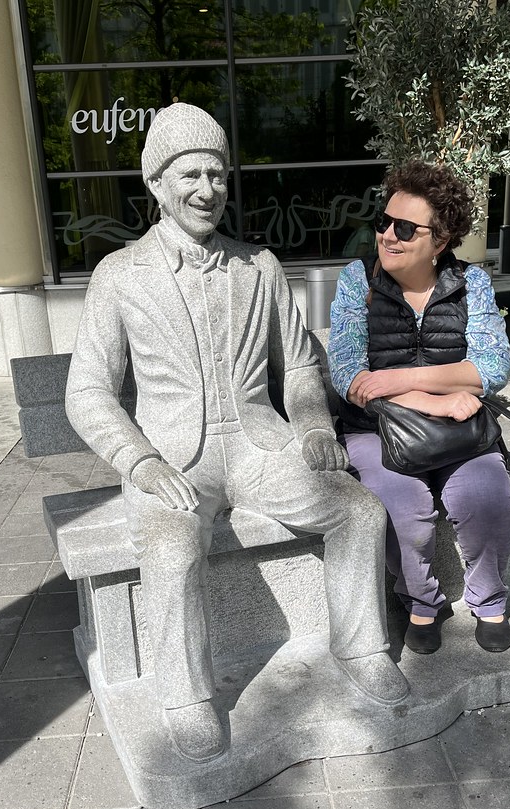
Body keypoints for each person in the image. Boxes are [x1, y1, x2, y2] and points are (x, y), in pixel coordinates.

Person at [65, 103, 409, 765]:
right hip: (172, 456)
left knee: (358, 511)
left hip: (258, 443)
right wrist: (136, 460)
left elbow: (303, 364)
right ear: (158, 185)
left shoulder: (260, 267)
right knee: (171, 551)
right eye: (190, 174)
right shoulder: (119, 275)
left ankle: (362, 649)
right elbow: (87, 391)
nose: (206, 189)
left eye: (218, 174)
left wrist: (311, 425)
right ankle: (186, 698)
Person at [328, 160, 510, 656]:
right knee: (400, 508)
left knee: (489, 497)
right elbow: (350, 377)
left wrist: (398, 379)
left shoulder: (470, 284)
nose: (388, 235)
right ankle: (421, 600)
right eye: (384, 222)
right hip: (376, 429)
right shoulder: (357, 281)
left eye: (406, 228)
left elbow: (491, 368)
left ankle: (487, 595)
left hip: (459, 432)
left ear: (440, 240)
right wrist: (435, 399)